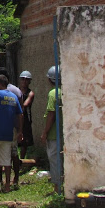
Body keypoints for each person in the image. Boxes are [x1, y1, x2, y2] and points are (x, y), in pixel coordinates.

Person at [0, 67, 23, 184]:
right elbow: (21, 112)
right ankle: (15, 178)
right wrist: (20, 129)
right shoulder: (17, 91)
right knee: (14, 153)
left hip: (1, 128)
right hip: (14, 128)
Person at [40, 65, 61, 193]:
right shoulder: (65, 91)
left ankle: (58, 186)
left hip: (54, 133)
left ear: (50, 80)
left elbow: (51, 115)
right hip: (64, 133)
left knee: (54, 159)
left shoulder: (53, 93)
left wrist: (45, 132)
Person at [18, 70, 35, 161]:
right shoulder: (16, 91)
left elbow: (25, 105)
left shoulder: (30, 93)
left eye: (26, 80)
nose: (24, 81)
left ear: (29, 81)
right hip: (16, 118)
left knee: (24, 143)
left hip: (25, 119)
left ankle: (22, 161)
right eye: (22, 79)